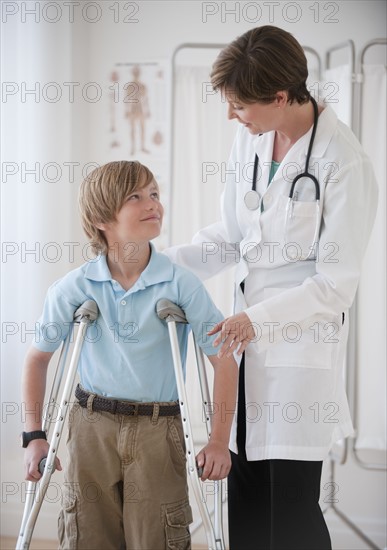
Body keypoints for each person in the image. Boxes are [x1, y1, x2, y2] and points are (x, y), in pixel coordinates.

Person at [165, 26, 379, 550]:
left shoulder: (344, 163)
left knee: (290, 514)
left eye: (240, 106)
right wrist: (159, 266)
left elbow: (335, 284)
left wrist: (254, 321)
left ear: (281, 96)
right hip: (243, 355)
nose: (233, 117)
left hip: (298, 357)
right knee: (247, 503)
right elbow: (232, 238)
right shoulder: (252, 139)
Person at [21, 160, 238, 550]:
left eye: (154, 193)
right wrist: (35, 435)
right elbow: (38, 358)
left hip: (160, 428)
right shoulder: (74, 286)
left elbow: (223, 359)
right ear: (103, 217)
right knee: (87, 532)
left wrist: (219, 441)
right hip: (90, 426)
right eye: (135, 196)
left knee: (156, 535)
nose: (152, 203)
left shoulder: (180, 283)